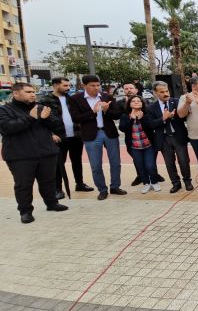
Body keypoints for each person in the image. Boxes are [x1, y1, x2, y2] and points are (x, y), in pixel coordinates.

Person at [0, 83, 69, 223]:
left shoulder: (41, 107)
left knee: (48, 181)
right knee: (23, 185)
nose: (32, 94)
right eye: (28, 92)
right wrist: (31, 118)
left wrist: (47, 118)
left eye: (33, 91)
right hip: (20, 155)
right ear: (16, 94)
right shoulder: (4, 110)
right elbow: (7, 128)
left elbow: (58, 126)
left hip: (46, 152)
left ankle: (52, 203)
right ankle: (25, 211)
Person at [69, 75, 127, 200]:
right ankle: (102, 189)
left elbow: (117, 115)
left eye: (97, 85)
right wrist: (93, 112)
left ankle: (115, 186)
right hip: (91, 135)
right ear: (84, 86)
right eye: (92, 85)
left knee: (116, 162)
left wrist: (106, 111)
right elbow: (76, 118)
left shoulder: (107, 97)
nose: (96, 88)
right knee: (96, 165)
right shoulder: (75, 99)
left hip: (109, 133)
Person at [39, 77, 93, 199]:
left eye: (69, 85)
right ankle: (58, 189)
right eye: (65, 85)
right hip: (59, 137)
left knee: (77, 161)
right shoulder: (45, 100)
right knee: (58, 164)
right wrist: (51, 134)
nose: (68, 88)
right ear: (55, 85)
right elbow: (42, 120)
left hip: (76, 135)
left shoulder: (71, 99)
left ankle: (79, 184)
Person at [145, 81, 193, 193]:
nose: (166, 93)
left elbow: (184, 117)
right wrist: (163, 118)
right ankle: (176, 183)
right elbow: (150, 124)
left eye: (166, 91)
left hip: (178, 136)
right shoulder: (151, 108)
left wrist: (176, 114)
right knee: (169, 163)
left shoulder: (177, 102)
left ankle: (187, 182)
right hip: (163, 139)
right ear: (155, 93)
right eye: (162, 92)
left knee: (184, 160)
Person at [117, 81, 165, 186]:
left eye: (131, 88)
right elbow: (122, 126)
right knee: (139, 163)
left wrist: (142, 117)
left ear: (136, 90)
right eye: (126, 89)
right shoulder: (122, 107)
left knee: (150, 163)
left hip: (148, 142)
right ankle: (143, 179)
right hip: (133, 144)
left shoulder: (146, 106)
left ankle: (154, 177)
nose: (129, 90)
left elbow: (151, 124)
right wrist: (131, 118)